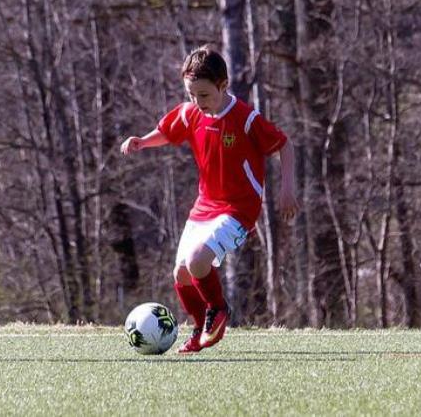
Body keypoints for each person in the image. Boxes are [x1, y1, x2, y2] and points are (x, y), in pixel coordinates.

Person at [120, 45, 297, 354]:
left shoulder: (244, 118)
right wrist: (143, 142)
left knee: (198, 260)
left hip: (238, 208)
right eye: (191, 94)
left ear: (223, 85)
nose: (196, 102)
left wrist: (287, 188)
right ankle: (201, 331)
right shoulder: (191, 112)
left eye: (204, 95)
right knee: (182, 274)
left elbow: (285, 144)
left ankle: (219, 309)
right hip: (204, 206)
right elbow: (167, 131)